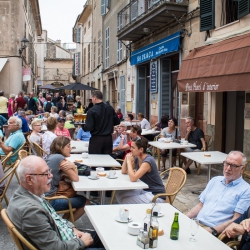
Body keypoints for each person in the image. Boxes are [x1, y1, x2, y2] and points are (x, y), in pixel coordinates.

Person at [7, 156, 104, 249]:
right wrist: (82, 242)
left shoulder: (29, 195)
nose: (51, 175)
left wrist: (72, 228)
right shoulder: (31, 211)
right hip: (69, 245)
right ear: (29, 179)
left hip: (67, 237)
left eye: (50, 171)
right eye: (45, 173)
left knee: (105, 236)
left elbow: (57, 219)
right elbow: (55, 248)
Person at [186, 151, 250, 235]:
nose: (228, 168)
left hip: (215, 232)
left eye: (234, 166)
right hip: (196, 224)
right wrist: (184, 218)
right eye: (226, 163)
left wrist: (212, 230)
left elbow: (236, 220)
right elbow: (200, 205)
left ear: (242, 168)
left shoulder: (246, 190)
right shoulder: (215, 180)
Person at [45, 136, 90, 222]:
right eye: (68, 146)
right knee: (86, 202)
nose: (70, 149)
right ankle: (66, 226)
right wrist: (74, 166)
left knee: (76, 200)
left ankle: (63, 223)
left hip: (45, 197)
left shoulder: (52, 156)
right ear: (60, 147)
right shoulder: (59, 158)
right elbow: (75, 178)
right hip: (50, 200)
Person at [116, 136, 165, 204]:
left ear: (141, 149)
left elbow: (133, 178)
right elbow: (124, 171)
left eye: (133, 147)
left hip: (155, 195)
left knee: (125, 200)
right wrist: (127, 158)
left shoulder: (148, 161)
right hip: (144, 190)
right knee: (119, 195)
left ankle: (134, 212)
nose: (130, 149)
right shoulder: (137, 158)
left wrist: (129, 162)